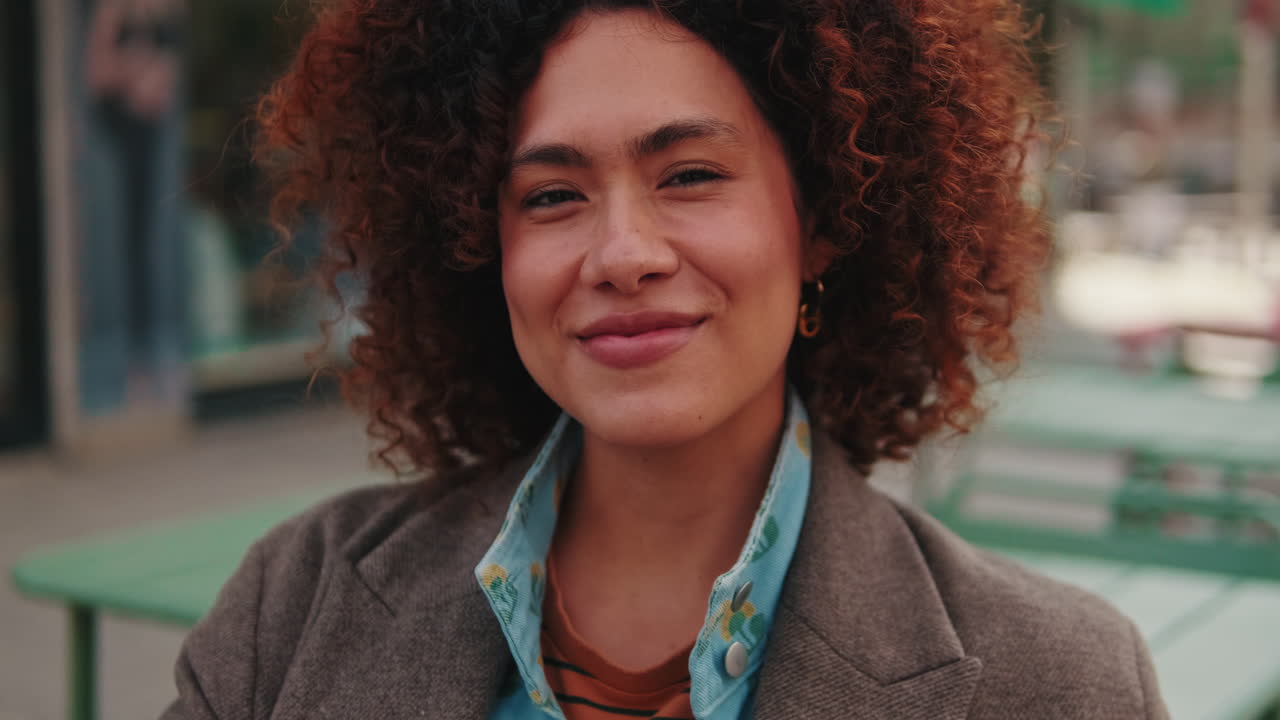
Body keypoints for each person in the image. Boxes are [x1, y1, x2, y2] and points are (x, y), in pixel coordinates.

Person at [162, 1, 1169, 718]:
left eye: (688, 175)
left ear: (821, 220)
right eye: (552, 195)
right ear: (481, 247)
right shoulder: (292, 605)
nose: (623, 255)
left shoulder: (1060, 682)